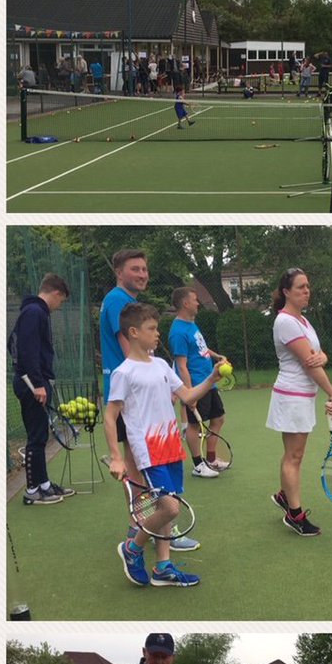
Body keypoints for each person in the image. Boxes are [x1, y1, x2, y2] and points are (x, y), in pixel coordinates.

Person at [103, 303, 222, 587]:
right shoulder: (124, 373)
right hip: (149, 451)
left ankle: (163, 567)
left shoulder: (160, 366)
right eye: (152, 329)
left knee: (170, 504)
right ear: (133, 332)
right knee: (169, 508)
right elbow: (110, 416)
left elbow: (188, 395)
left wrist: (212, 377)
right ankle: (132, 549)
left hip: (171, 447)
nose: (158, 334)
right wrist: (117, 457)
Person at [99, 248, 199, 555]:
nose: (143, 274)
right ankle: (145, 531)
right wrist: (154, 377)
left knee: (141, 472)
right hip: (130, 400)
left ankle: (150, 529)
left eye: (145, 269)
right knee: (139, 472)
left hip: (134, 395)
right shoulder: (119, 300)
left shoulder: (118, 300)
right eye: (135, 269)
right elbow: (130, 348)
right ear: (119, 272)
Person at [266, 268, 332, 537]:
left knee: (293, 455)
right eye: (300, 287)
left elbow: (316, 355)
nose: (307, 291)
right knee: (294, 456)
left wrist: (324, 357)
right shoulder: (285, 321)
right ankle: (294, 515)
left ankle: (285, 496)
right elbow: (309, 364)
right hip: (292, 396)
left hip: (301, 397)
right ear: (286, 291)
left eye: (308, 286)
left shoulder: (303, 321)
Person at [8, 273, 75, 504]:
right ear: (56, 293)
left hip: (34, 382)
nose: (59, 306)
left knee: (39, 435)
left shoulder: (33, 312)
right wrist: (37, 383)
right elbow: (26, 351)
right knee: (36, 436)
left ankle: (43, 485)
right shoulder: (34, 312)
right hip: (31, 384)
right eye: (61, 301)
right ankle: (33, 491)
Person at [168, 286, 230, 479]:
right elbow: (181, 365)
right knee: (194, 426)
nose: (198, 303)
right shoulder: (178, 332)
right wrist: (189, 394)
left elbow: (201, 348)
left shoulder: (191, 324)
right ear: (185, 303)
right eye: (195, 300)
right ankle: (198, 465)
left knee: (218, 418)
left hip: (209, 381)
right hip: (196, 385)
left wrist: (216, 355)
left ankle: (210, 459)